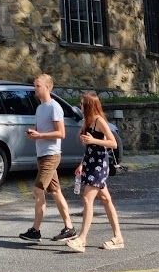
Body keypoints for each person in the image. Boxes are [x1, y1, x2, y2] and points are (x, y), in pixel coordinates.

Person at [19, 73, 75, 243]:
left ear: (48, 87)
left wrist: (40, 135)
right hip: (42, 154)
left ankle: (35, 230)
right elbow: (40, 130)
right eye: (34, 85)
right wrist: (33, 134)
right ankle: (69, 228)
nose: (35, 88)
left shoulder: (54, 107)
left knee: (38, 190)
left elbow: (61, 133)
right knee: (56, 192)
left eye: (38, 86)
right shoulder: (40, 108)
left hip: (51, 154)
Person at [67, 93, 124, 253]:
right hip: (90, 162)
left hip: (100, 164)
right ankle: (118, 237)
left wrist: (94, 140)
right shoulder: (88, 121)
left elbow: (113, 143)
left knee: (87, 198)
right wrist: (82, 164)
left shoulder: (99, 121)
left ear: (89, 105)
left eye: (82, 104)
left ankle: (82, 239)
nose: (80, 106)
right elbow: (87, 145)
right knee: (106, 199)